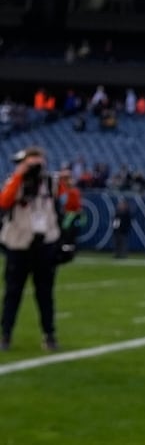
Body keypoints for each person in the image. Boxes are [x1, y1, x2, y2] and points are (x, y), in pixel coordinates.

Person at [0, 147, 79, 351]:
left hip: (44, 244)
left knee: (45, 294)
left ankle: (49, 335)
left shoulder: (51, 182)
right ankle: (5, 335)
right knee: (12, 293)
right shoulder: (15, 181)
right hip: (19, 243)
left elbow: (73, 205)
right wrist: (21, 174)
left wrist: (70, 186)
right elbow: (4, 201)